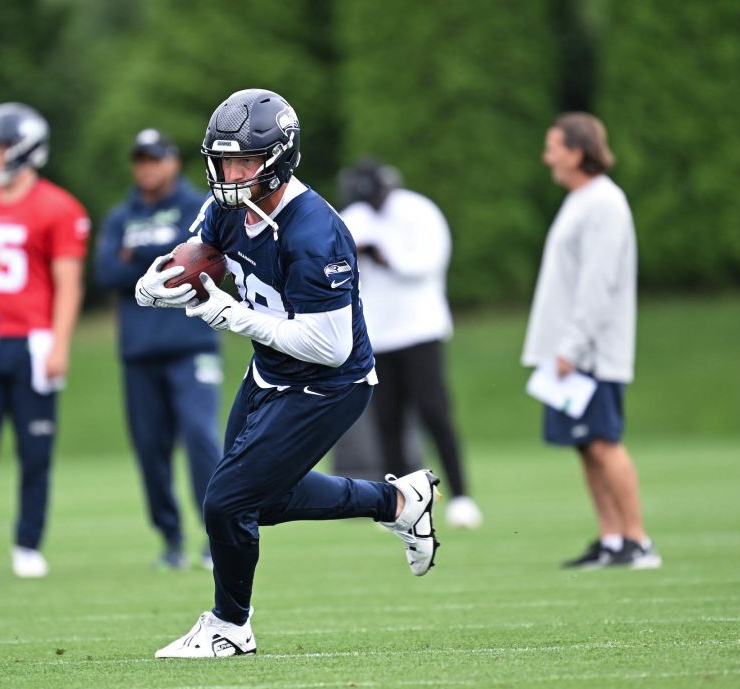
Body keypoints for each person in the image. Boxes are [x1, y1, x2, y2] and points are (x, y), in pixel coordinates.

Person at [136, 89, 441, 659]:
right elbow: (198, 251)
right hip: (271, 372)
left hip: (330, 385)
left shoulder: (314, 231)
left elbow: (329, 346)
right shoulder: (228, 205)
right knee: (259, 502)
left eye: (245, 162)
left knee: (227, 502)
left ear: (279, 158)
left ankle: (230, 627)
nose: (232, 174)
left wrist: (231, 314)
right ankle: (396, 502)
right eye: (224, 161)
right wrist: (163, 281)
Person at [522, 112, 660, 570]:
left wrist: (573, 346)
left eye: (553, 147)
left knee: (604, 440)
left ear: (577, 153)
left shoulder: (604, 203)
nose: (547, 157)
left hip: (591, 352)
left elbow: (598, 284)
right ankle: (611, 538)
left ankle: (638, 541)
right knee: (586, 446)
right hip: (570, 350)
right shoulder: (580, 200)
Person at [0, 102, 91, 578]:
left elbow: (68, 281)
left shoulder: (58, 207)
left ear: (25, 151)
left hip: (32, 342)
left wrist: (60, 342)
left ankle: (27, 543)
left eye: (0, 148)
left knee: (34, 451)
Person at [95, 129, 221, 570]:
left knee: (200, 435)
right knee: (150, 448)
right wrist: (165, 259)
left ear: (173, 161)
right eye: (140, 159)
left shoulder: (195, 206)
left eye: (155, 158)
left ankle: (215, 536)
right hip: (139, 352)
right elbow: (107, 271)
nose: (147, 166)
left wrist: (141, 255)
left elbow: (205, 255)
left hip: (191, 345)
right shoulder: (120, 215)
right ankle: (170, 540)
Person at [338, 159, 483, 530]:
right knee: (387, 418)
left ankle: (462, 496)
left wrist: (386, 257)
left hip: (420, 329)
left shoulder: (418, 211)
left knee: (435, 412)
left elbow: (429, 262)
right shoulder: (353, 216)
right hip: (377, 334)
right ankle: (398, 503)